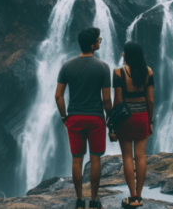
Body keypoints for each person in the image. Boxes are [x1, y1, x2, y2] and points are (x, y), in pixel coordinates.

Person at [55, 27, 112, 209]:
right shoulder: (103, 67)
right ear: (92, 44)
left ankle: (80, 201)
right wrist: (110, 120)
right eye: (98, 40)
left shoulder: (67, 65)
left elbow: (58, 95)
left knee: (77, 159)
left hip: (75, 118)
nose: (99, 42)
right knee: (95, 159)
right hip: (96, 119)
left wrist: (64, 117)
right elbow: (107, 99)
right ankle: (94, 201)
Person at [111, 41, 154, 208]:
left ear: (126, 54)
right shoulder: (148, 71)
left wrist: (113, 126)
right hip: (142, 116)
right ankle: (140, 196)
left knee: (127, 157)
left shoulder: (118, 72)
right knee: (141, 156)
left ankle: (133, 197)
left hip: (125, 119)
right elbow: (150, 100)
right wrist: (150, 121)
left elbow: (117, 101)